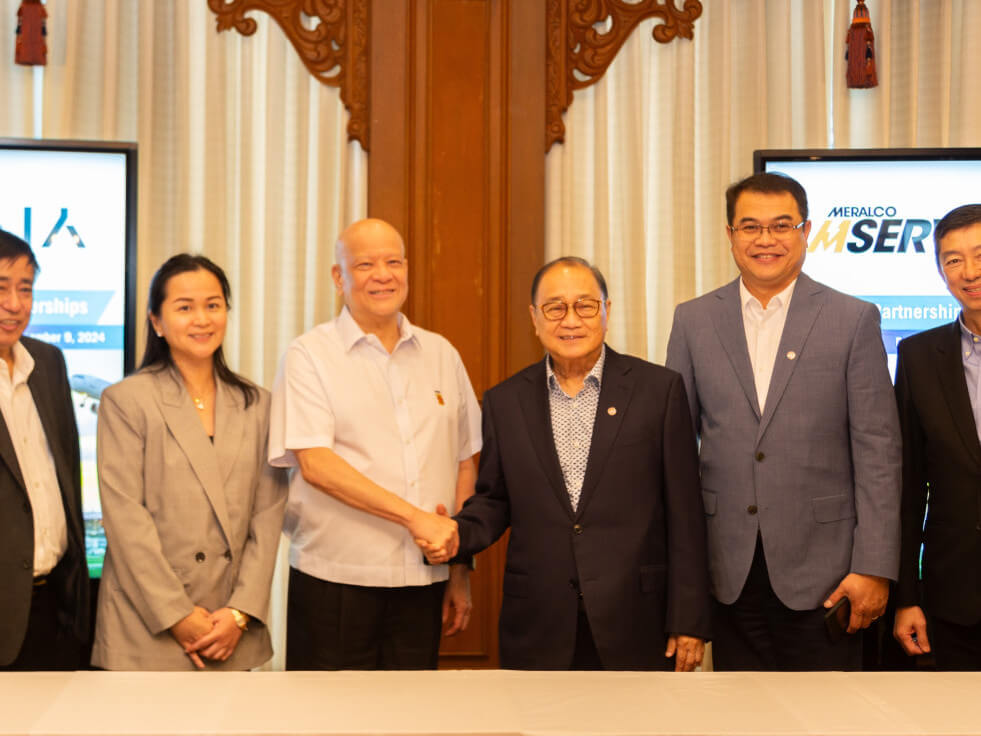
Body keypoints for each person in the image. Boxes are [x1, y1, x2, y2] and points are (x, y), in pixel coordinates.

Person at [426, 256, 710, 670]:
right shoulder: (506, 402)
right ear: (535, 318)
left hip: (636, 618)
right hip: (539, 621)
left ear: (607, 312)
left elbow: (685, 513)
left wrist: (689, 619)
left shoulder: (658, 391)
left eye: (586, 306)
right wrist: (454, 534)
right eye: (555, 308)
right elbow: (494, 500)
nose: (570, 320)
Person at [665, 172, 901, 670]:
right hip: (726, 570)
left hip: (829, 574)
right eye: (750, 227)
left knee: (827, 719)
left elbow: (878, 451)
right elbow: (676, 454)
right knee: (741, 718)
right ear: (730, 235)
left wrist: (874, 568)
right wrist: (681, 578)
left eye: (781, 225)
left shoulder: (852, 319)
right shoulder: (693, 320)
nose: (765, 239)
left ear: (806, 230)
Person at [269, 218, 481, 670]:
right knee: (327, 725)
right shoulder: (310, 354)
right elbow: (317, 465)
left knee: (410, 722)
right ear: (338, 276)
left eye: (393, 262)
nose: (382, 275)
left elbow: (466, 461)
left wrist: (459, 568)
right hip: (335, 581)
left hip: (423, 584)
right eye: (365, 264)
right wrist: (415, 519)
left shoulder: (441, 353)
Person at [91, 254, 287, 670]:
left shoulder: (258, 404)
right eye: (185, 307)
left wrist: (239, 613)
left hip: (230, 630)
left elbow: (267, 518)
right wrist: (178, 616)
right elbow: (126, 521)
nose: (202, 319)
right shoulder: (126, 401)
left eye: (213, 305)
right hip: (149, 626)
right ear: (157, 322)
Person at [893, 204, 981, 669]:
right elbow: (907, 488)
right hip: (954, 602)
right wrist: (907, 596)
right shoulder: (919, 356)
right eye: (953, 259)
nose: (969, 272)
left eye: (980, 254)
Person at [0, 230, 89, 670]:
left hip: (56, 605)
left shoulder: (48, 363)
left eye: (25, 288)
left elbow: (66, 472)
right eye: (0, 288)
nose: (15, 304)